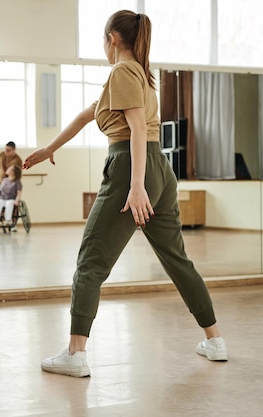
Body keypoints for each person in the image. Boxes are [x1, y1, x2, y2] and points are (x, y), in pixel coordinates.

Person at [23, 10, 227, 378]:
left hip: (131, 169)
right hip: (160, 171)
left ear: (112, 39)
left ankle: (75, 353)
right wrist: (48, 148)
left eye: (103, 42)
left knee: (90, 262)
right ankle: (214, 340)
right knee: (177, 260)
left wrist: (135, 186)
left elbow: (134, 128)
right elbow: (88, 115)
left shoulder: (122, 72)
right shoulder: (138, 76)